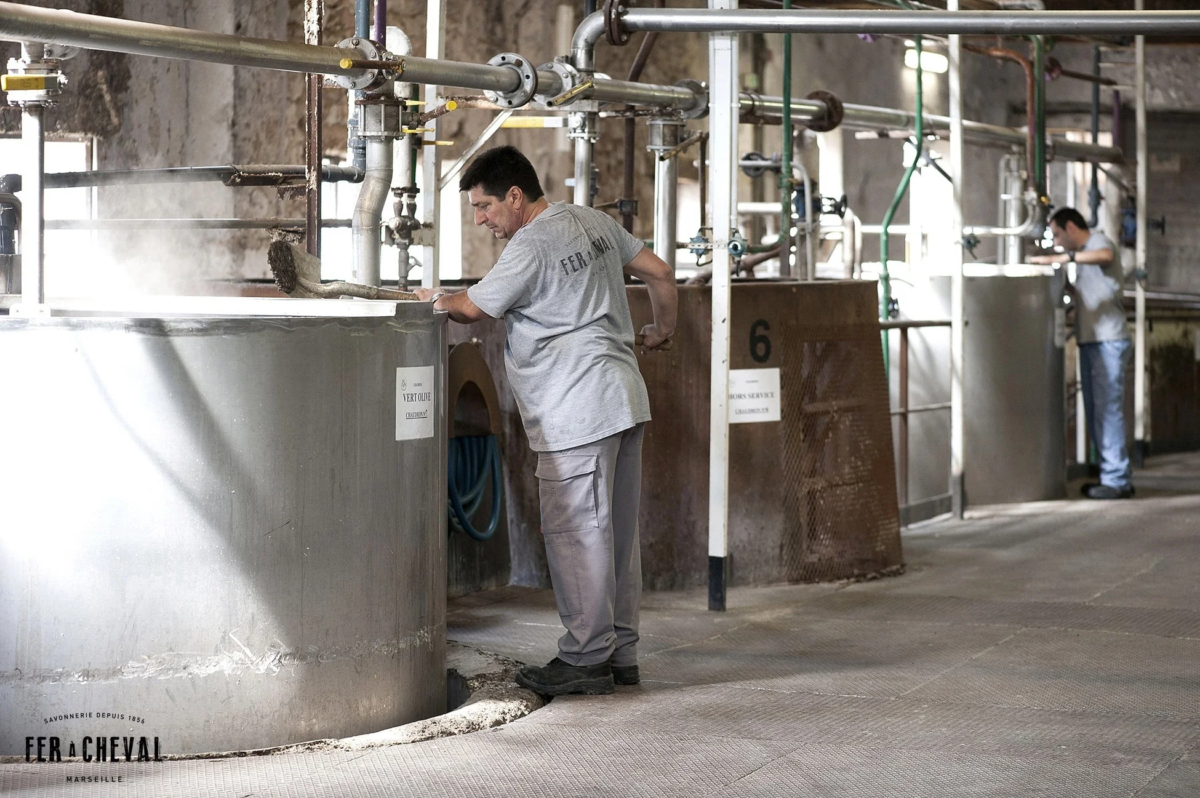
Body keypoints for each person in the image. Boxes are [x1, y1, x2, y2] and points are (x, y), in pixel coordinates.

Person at [414, 145, 678, 694]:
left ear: (515, 196)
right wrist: (662, 331)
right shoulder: (593, 221)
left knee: (578, 536)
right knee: (615, 538)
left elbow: (472, 308)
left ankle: (584, 659)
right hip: (624, 398)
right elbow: (660, 272)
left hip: (576, 410)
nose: (481, 219)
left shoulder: (532, 243)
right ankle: (620, 654)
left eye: (484, 206)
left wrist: (429, 299)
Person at [1030, 207, 1133, 499]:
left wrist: (1064, 258)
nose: (1057, 241)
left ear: (1072, 228)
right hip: (1092, 342)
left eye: (1058, 234)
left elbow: (1107, 256)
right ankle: (1111, 476)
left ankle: (1116, 480)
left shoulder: (1098, 243)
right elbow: (1090, 290)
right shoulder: (1084, 254)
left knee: (1107, 411)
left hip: (1107, 341)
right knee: (1097, 411)